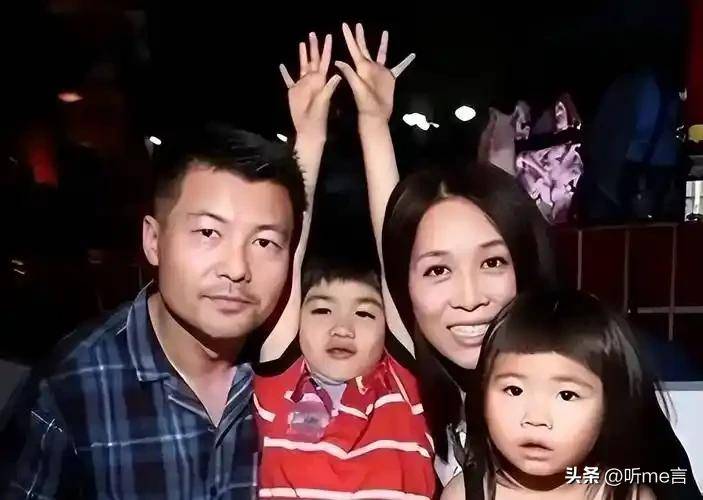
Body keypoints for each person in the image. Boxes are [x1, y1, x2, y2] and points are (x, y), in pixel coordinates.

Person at [333, 22, 699, 500]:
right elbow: (397, 245)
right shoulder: (421, 374)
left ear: (526, 266)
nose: (468, 298)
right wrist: (372, 123)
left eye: (493, 263)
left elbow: (667, 479)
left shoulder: (594, 369)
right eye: (437, 271)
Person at [0, 124, 306, 499]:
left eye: (265, 242)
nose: (237, 267)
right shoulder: (71, 387)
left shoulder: (307, 376)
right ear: (154, 240)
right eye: (208, 233)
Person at [254, 28, 434, 499]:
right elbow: (286, 251)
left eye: (366, 312)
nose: (342, 326)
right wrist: (309, 136)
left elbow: (394, 247)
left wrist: (374, 125)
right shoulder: (280, 389)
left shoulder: (406, 389)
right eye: (320, 308)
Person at [441, 290, 663, 500]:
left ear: (611, 407)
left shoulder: (629, 496)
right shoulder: (464, 494)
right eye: (514, 390)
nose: (535, 419)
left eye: (567, 395)